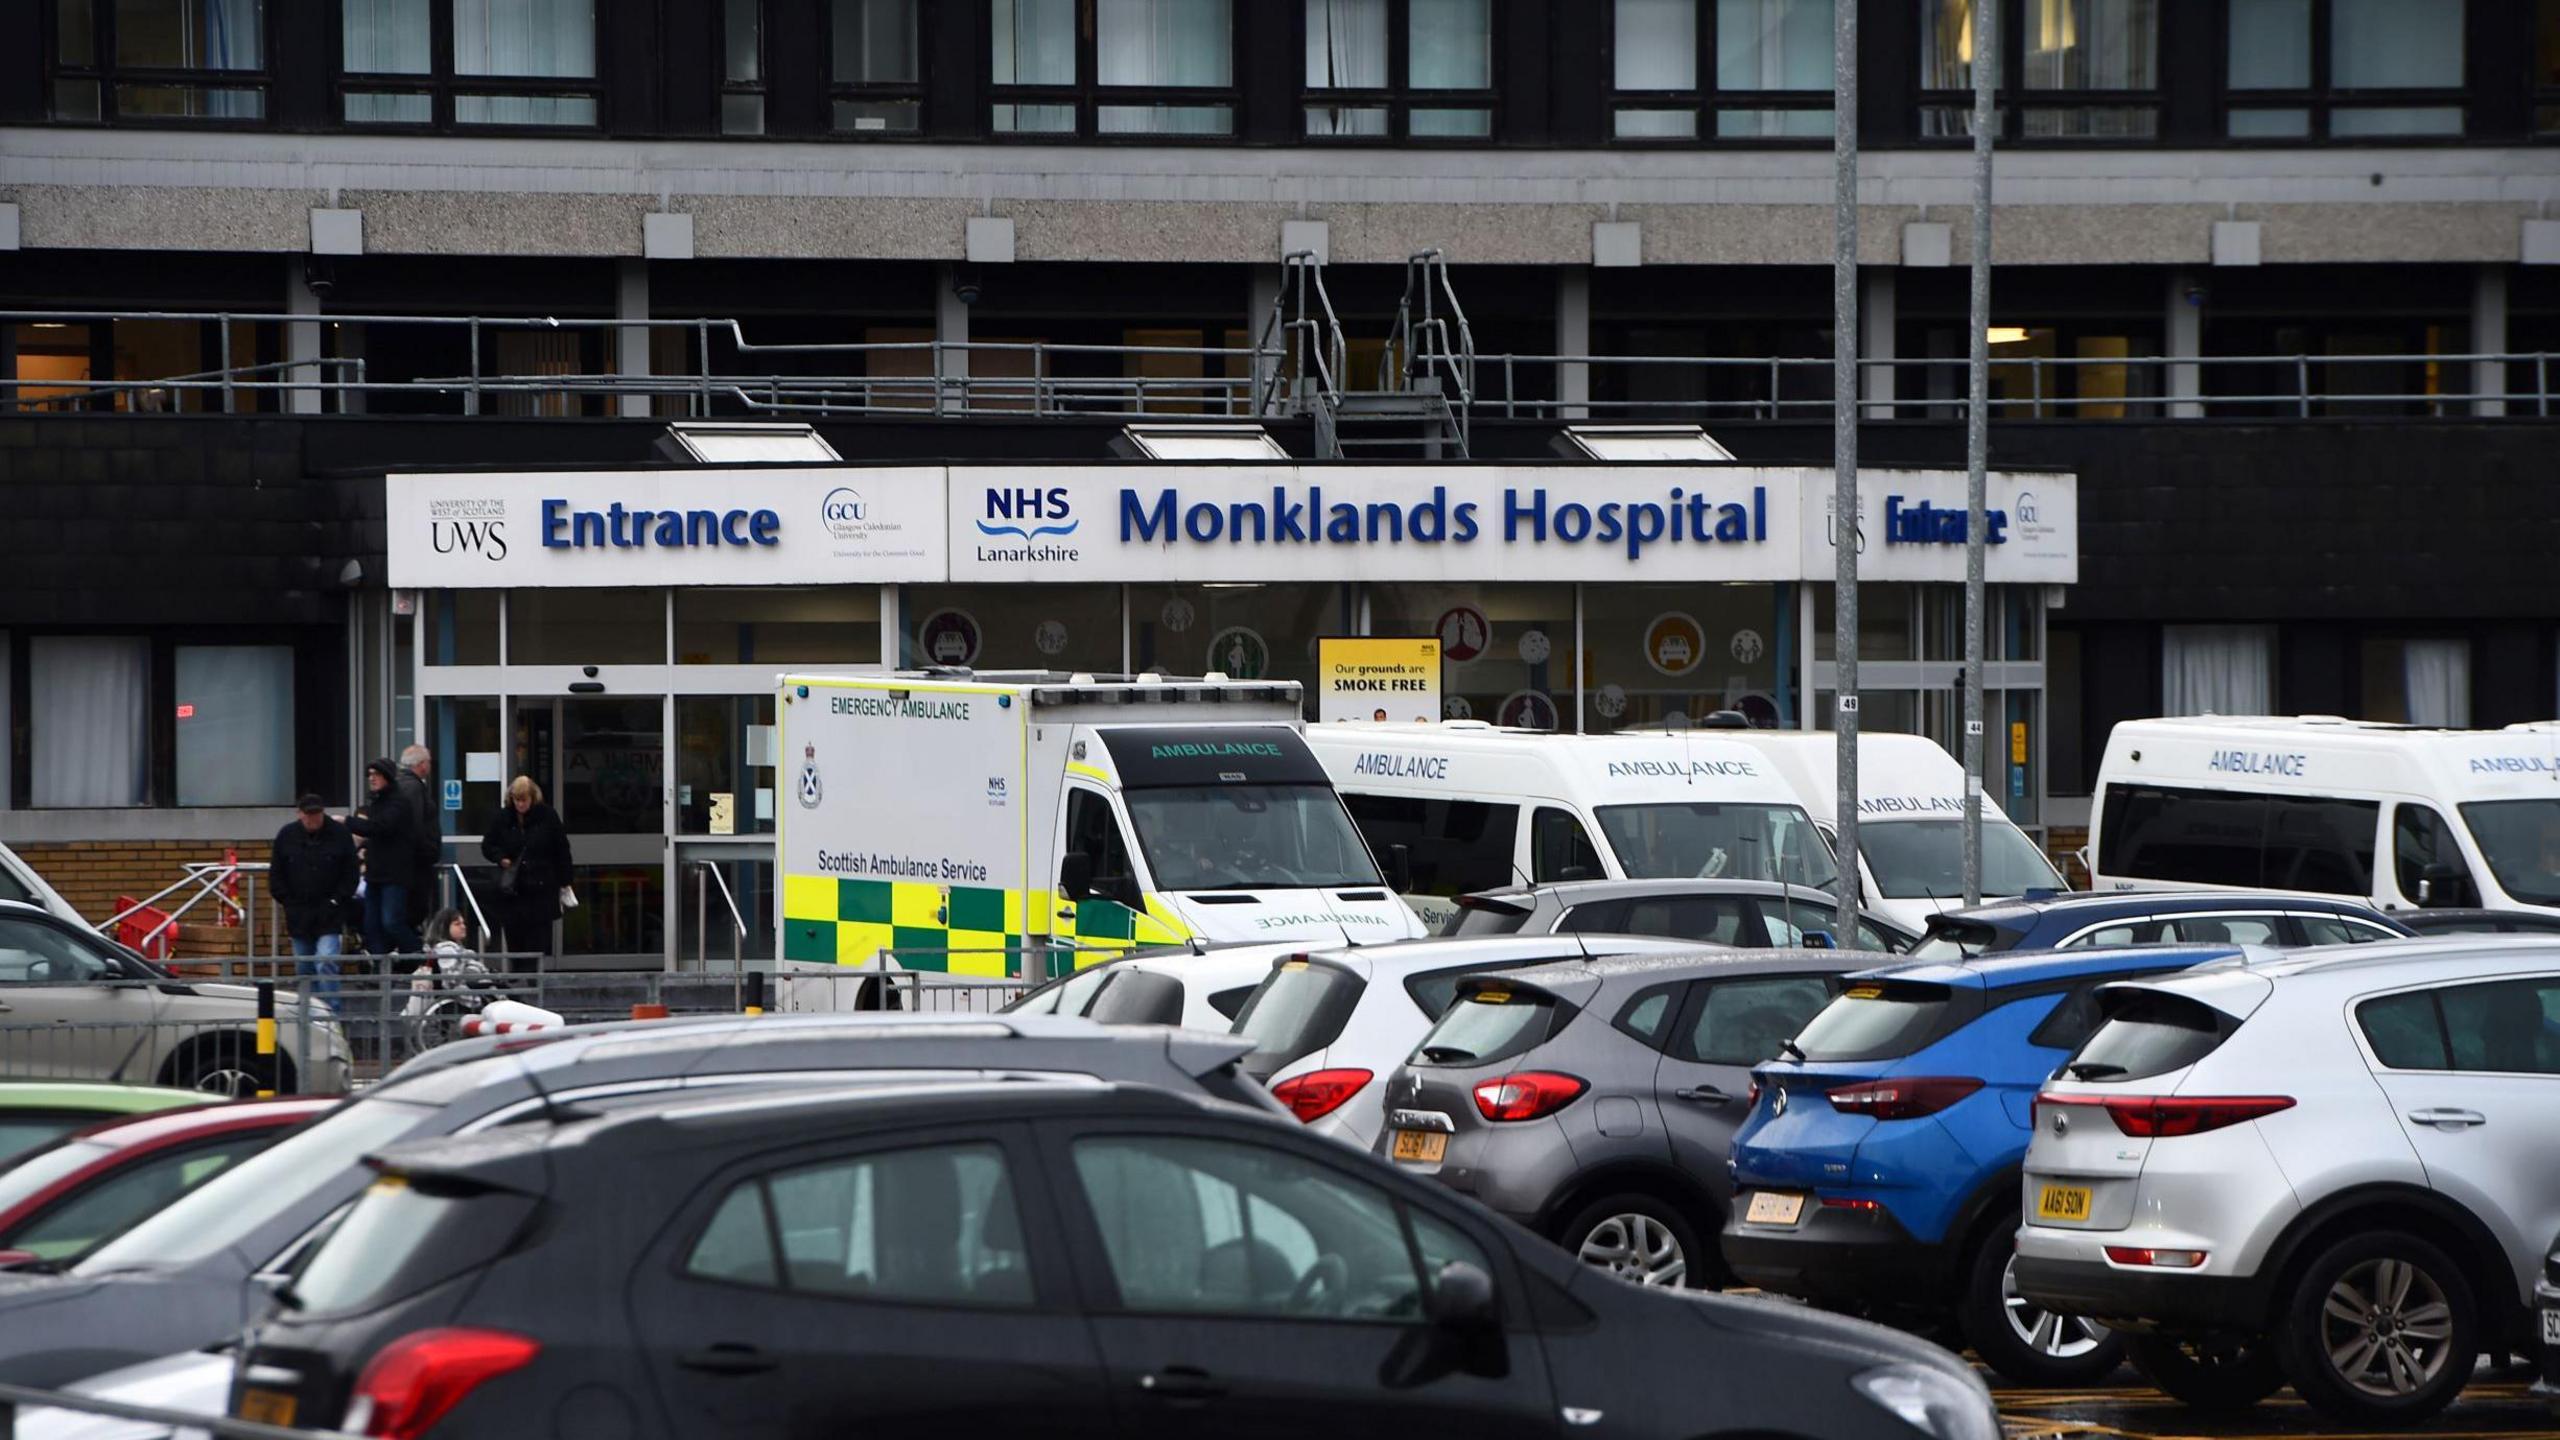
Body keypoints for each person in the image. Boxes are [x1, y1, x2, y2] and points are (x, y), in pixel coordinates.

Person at [268, 794, 357, 1001]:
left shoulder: (339, 834)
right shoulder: (287, 835)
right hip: (299, 912)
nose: (313, 819)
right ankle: (309, 1012)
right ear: (299, 814)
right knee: (304, 966)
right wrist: (288, 902)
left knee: (326, 961)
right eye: (308, 815)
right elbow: (277, 874)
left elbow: (350, 873)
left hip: (330, 912)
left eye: (317, 814)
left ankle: (329, 1014)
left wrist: (337, 900)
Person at [482, 775, 571, 972]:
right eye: (516, 799)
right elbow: (488, 845)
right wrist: (501, 858)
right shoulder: (503, 818)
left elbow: (561, 849)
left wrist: (565, 881)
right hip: (514, 889)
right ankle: (518, 976)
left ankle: (533, 976)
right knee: (515, 935)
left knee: (538, 936)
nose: (520, 804)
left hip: (541, 886)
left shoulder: (547, 816)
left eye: (524, 799)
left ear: (533, 798)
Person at [344, 758, 419, 957]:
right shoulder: (376, 802)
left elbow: (380, 827)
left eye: (376, 775)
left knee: (392, 922)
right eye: (369, 775)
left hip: (394, 874)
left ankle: (421, 958)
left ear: (387, 776)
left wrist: (347, 821)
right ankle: (381, 971)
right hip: (375, 873)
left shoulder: (398, 803)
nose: (372, 779)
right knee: (371, 925)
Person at [396, 745, 441, 931]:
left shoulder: (400, 784)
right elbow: (415, 825)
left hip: (410, 862)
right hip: (416, 865)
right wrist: (427, 850)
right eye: (428, 761)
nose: (430, 766)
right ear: (421, 764)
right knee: (414, 912)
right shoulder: (414, 788)